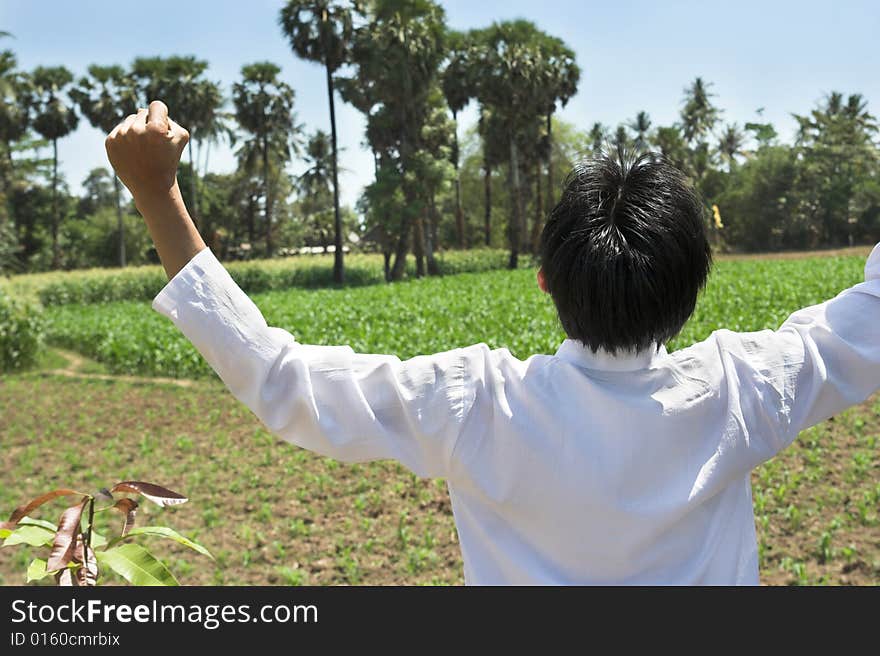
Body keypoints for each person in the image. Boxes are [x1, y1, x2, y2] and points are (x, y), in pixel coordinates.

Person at [105, 101, 880, 585]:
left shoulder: (476, 403)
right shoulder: (741, 392)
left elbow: (281, 382)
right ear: (692, 289)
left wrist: (159, 196)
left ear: (544, 281)